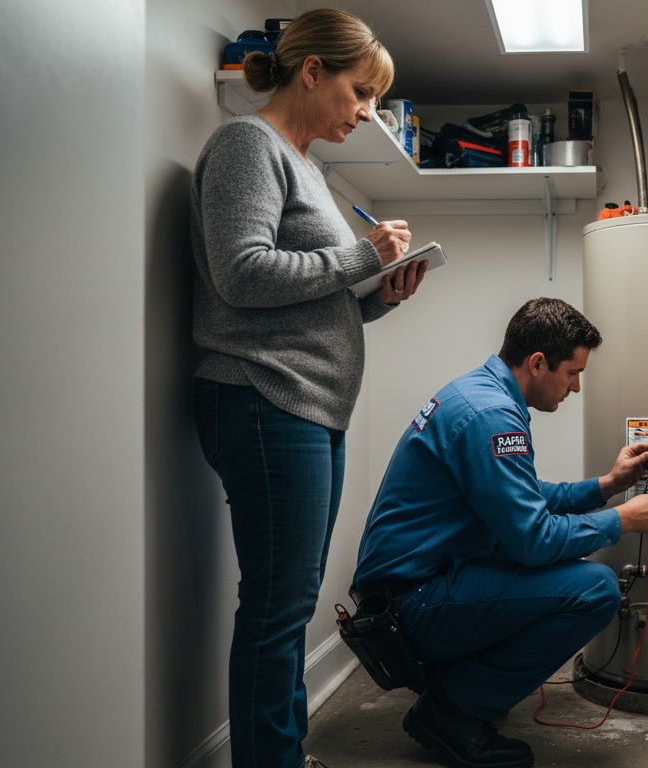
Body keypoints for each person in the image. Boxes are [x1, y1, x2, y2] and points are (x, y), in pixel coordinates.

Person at [190, 9, 424, 768]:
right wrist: (360, 259)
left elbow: (319, 300)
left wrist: (381, 293)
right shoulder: (244, 145)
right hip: (262, 397)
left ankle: (279, 753)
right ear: (313, 70)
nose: (365, 112)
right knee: (276, 606)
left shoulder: (308, 170)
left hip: (307, 405)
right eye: (361, 92)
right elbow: (244, 273)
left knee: (290, 603)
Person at [352, 297, 648, 768]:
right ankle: (451, 711)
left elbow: (521, 495)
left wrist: (606, 487)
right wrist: (622, 520)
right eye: (572, 373)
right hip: (410, 607)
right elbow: (533, 541)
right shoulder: (491, 416)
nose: (577, 387)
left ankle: (458, 683)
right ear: (538, 363)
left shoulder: (480, 394)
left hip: (409, 589)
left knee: (562, 571)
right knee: (594, 589)